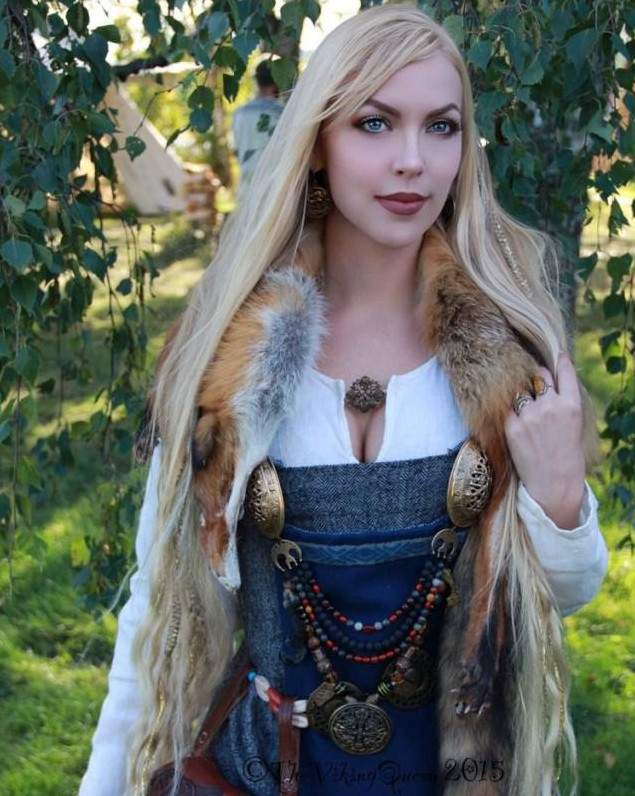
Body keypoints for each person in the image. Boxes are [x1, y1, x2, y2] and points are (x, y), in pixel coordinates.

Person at [79, 5, 609, 796]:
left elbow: (560, 596)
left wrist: (560, 496)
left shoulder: (509, 351)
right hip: (262, 773)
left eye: (441, 127)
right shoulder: (227, 358)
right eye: (373, 123)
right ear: (318, 143)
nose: (412, 161)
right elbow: (159, 610)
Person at [231, 59, 284, 200]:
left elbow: (236, 151)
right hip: (275, 191)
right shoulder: (283, 114)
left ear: (257, 80)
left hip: (246, 191)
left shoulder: (239, 114)